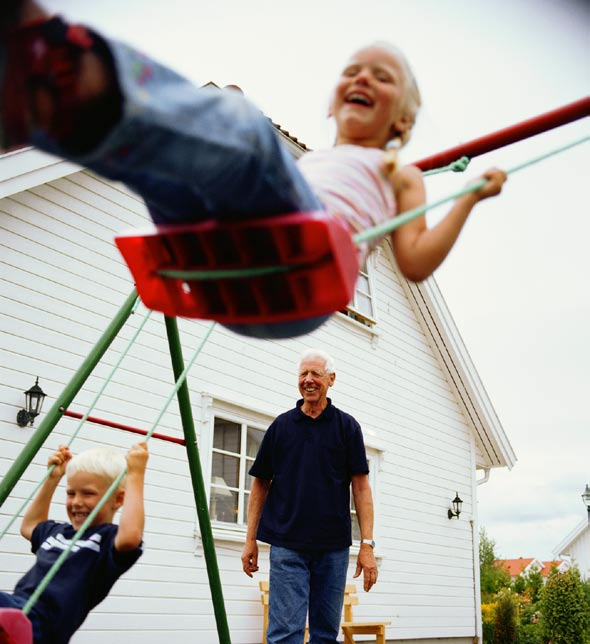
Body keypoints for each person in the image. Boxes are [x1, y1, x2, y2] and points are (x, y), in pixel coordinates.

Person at [0, 2, 507, 340]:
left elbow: (414, 261)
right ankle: (51, 117)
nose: (362, 78)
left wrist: (467, 199)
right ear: (332, 103)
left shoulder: (397, 170)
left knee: (239, 123)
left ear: (402, 118)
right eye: (352, 71)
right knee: (171, 169)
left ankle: (73, 70)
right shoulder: (313, 163)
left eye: (383, 76)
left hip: (307, 277)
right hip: (233, 276)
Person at [241, 349, 376, 643]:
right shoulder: (281, 427)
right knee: (284, 634)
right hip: (288, 546)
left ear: (331, 379)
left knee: (325, 635)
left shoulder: (347, 427)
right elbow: (260, 484)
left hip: (333, 549)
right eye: (303, 374)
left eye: (315, 374)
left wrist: (367, 545)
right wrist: (250, 539)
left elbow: (361, 488)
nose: (308, 380)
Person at [0, 442, 148, 644]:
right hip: (14, 610)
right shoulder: (58, 532)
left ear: (119, 499)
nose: (76, 501)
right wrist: (53, 480)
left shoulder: (107, 539)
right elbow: (30, 526)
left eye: (87, 493)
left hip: (42, 626)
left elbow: (131, 536)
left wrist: (135, 476)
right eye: (71, 493)